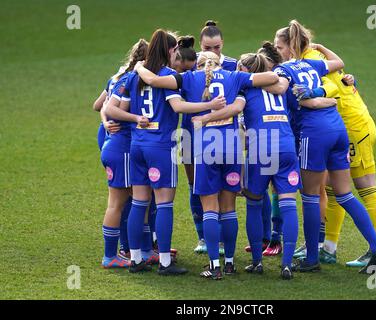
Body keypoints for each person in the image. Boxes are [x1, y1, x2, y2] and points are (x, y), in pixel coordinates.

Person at [134, 51, 279, 279]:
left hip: (206, 147)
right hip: (232, 147)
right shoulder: (234, 77)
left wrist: (139, 66)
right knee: (229, 208)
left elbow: (154, 81)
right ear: (220, 62)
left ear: (198, 65)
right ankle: (230, 263)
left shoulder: (189, 78)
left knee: (210, 208)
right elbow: (270, 78)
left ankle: (215, 267)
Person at [192, 52, 337, 279]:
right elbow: (301, 105)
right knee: (288, 203)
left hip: (260, 149)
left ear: (246, 70)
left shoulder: (244, 89)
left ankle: (257, 261)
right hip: (286, 146)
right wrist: (328, 99)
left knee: (254, 203)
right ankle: (286, 264)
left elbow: (237, 114)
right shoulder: (280, 86)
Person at [273, 21, 376, 273]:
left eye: (278, 46)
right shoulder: (312, 62)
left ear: (290, 47)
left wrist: (306, 96)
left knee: (309, 196)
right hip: (339, 130)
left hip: (316, 134)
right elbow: (338, 67)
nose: (276, 50)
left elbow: (311, 91)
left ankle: (312, 258)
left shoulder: (284, 70)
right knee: (343, 193)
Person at [105, 29, 225, 275]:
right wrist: (210, 106)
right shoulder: (168, 75)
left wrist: (135, 118)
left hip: (137, 146)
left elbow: (111, 109)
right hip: (160, 146)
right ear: (171, 51)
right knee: (164, 204)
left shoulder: (133, 77)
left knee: (139, 202)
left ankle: (136, 259)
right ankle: (165, 263)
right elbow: (178, 106)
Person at [183, 20, 239, 255]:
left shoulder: (233, 66)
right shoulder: (189, 66)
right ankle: (203, 237)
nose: (212, 52)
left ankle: (233, 241)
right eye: (207, 47)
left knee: (230, 190)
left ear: (222, 44)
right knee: (196, 185)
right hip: (189, 131)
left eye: (216, 47)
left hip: (225, 134)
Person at [93, 39, 148, 267]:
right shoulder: (133, 80)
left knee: (127, 201)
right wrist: (135, 118)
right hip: (122, 147)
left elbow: (100, 106)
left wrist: (106, 122)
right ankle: (114, 255)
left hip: (109, 142)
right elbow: (107, 108)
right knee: (121, 203)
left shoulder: (118, 77)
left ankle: (130, 250)